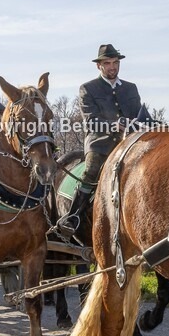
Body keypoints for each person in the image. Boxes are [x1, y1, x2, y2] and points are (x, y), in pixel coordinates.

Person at [57, 43, 153, 236]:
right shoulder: (88, 89)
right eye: (108, 63)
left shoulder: (131, 88)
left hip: (131, 141)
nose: (112, 67)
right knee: (91, 170)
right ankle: (73, 216)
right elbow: (91, 121)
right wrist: (113, 125)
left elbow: (143, 117)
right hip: (100, 143)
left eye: (115, 62)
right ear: (99, 66)